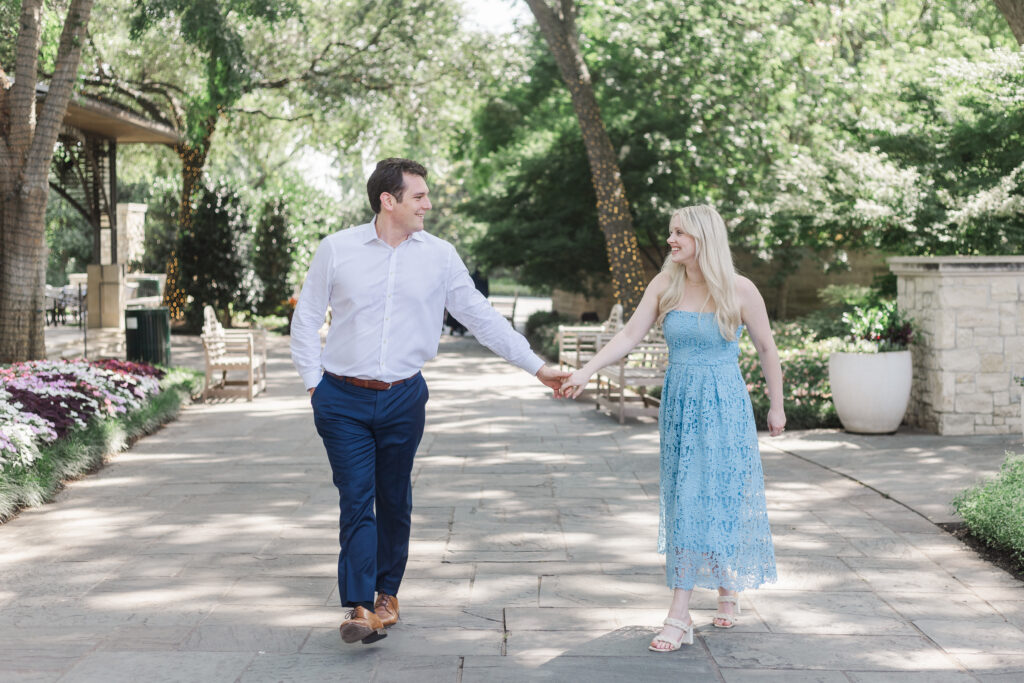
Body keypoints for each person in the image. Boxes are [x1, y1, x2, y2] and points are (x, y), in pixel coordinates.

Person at [290, 158, 568, 646]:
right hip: (341, 398)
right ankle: (358, 605)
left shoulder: (439, 256)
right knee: (356, 498)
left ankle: (386, 595)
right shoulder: (337, 250)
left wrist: (537, 367)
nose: (429, 204)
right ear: (388, 200)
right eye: (419, 196)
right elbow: (307, 315)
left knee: (394, 498)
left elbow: (481, 317)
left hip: (404, 397)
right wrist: (315, 386)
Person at [559, 205, 785, 652]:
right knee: (690, 495)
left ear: (703, 237)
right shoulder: (665, 284)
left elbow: (766, 347)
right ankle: (725, 587)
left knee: (713, 493)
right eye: (670, 232)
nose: (671, 240)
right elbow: (627, 337)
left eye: (679, 232)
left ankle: (680, 614)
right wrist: (586, 371)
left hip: (724, 406)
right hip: (681, 406)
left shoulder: (741, 290)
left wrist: (776, 406)